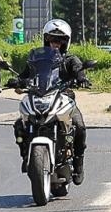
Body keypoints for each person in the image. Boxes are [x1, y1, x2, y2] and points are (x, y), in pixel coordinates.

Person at [13, 19, 90, 184]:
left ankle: (78, 162)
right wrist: (17, 80)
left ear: (66, 41)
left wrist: (81, 77)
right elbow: (26, 74)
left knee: (79, 125)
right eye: (52, 38)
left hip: (64, 97)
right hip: (40, 96)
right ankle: (26, 154)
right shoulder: (37, 58)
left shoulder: (70, 59)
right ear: (46, 39)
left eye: (60, 39)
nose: (55, 43)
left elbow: (77, 69)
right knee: (20, 125)